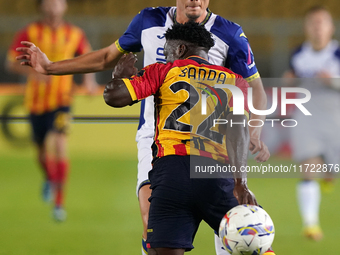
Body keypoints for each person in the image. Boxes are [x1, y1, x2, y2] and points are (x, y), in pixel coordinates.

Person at [15, 1, 270, 253]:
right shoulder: (148, 20)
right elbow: (106, 57)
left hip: (212, 141)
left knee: (233, 225)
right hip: (156, 136)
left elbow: (255, 89)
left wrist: (254, 130)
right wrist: (50, 68)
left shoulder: (230, 33)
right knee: (151, 219)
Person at [104, 21, 275, 255]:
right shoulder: (234, 81)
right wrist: (240, 183)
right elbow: (238, 130)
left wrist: (118, 78)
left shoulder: (162, 72)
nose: (167, 56)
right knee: (256, 241)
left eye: (168, 51)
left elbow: (113, 97)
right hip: (215, 174)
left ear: (181, 49)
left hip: (172, 172)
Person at [6, 0, 97, 221]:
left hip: (62, 100)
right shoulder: (30, 31)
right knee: (40, 150)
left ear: (64, 6)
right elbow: (10, 63)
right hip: (35, 102)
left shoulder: (74, 33)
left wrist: (89, 81)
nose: (53, 6)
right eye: (49, 2)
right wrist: (33, 74)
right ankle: (48, 177)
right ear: (42, 6)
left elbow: (88, 57)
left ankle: (59, 204)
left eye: (58, 2)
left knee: (59, 143)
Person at [284, 5, 340, 241]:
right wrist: (289, 82)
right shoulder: (298, 54)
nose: (317, 28)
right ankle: (311, 224)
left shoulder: (337, 53)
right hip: (306, 117)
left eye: (322, 23)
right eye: (313, 23)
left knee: (332, 168)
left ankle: (330, 173)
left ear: (331, 27)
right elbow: (288, 83)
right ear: (307, 27)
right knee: (308, 167)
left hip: (335, 117)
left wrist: (333, 82)